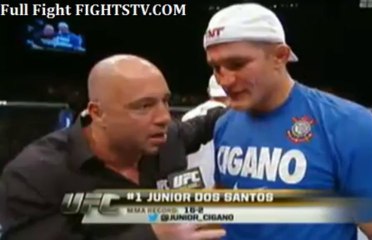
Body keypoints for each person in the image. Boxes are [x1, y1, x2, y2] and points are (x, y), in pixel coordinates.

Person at [203, 3, 372, 240]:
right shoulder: (225, 124)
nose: (225, 80)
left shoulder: (347, 125)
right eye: (215, 68)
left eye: (237, 64)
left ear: (280, 56)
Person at [0, 54, 226, 240]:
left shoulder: (164, 139)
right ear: (98, 113)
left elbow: (207, 122)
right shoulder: (33, 175)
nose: (164, 117)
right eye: (144, 106)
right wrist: (149, 236)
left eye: (165, 101)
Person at [182, 75, 229, 188]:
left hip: (188, 183)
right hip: (219, 186)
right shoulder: (230, 119)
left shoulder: (188, 115)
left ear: (209, 91)